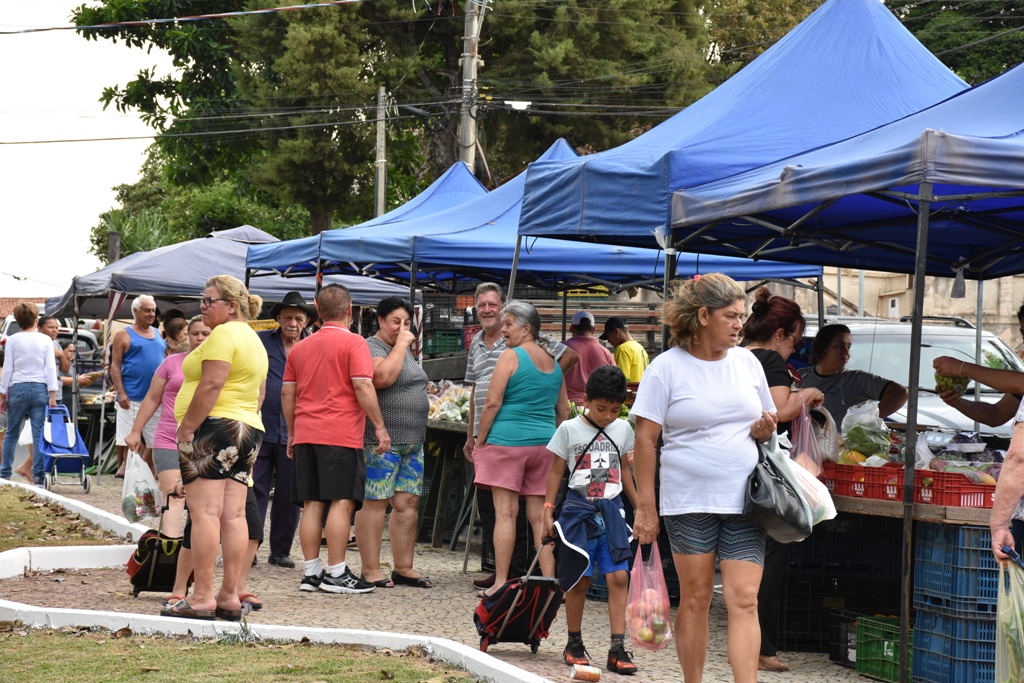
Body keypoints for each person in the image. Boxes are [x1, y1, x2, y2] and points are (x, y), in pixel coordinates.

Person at [631, 273, 779, 683]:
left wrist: (765, 430)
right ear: (702, 316)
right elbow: (645, 439)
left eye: (742, 316)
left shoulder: (748, 362)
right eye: (731, 316)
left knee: (744, 599)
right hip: (689, 500)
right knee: (695, 598)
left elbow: (766, 423)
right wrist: (646, 506)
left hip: (747, 500)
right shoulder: (666, 368)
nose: (739, 325)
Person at [164, 276, 268, 621]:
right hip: (247, 429)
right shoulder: (253, 338)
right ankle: (229, 595)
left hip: (215, 428)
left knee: (205, 514)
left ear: (231, 306)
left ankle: (203, 596)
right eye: (202, 300)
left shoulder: (224, 334)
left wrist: (187, 429)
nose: (202, 307)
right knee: (235, 515)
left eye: (209, 301)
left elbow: (211, 384)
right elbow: (259, 393)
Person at [464, 283, 577, 591]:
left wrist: (481, 439)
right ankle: (552, 582)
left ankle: (502, 581)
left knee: (505, 513)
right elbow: (563, 410)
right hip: (544, 445)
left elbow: (491, 402)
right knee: (540, 516)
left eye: (509, 325)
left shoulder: (510, 357)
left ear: (527, 329)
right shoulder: (553, 364)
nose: (504, 331)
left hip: (506, 444)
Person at [283, 284, 390, 595]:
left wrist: (292, 432)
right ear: (350, 309)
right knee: (342, 502)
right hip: (340, 434)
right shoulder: (355, 343)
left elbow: (287, 392)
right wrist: (380, 427)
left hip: (306, 432)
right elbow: (363, 386)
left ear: (317, 309)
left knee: (311, 504)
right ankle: (337, 572)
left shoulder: (300, 347)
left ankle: (311, 572)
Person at [740, 287, 824, 673]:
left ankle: (751, 643)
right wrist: (804, 394)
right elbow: (775, 411)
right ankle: (763, 647)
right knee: (770, 557)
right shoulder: (769, 358)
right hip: (760, 473)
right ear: (779, 335)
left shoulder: (736, 355)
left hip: (732, 467)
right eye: (796, 339)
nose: (795, 348)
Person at [544, 365, 639, 674]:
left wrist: (641, 509)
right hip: (577, 512)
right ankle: (574, 642)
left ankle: (617, 646)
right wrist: (547, 508)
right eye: (601, 409)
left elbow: (625, 470)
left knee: (618, 577)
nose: (607, 416)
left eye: (614, 410)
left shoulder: (624, 430)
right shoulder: (569, 430)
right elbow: (557, 471)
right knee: (579, 580)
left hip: (612, 513)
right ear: (585, 399)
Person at [355, 296, 432, 589]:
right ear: (381, 321)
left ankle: (403, 566)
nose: (401, 327)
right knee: (375, 502)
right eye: (395, 322)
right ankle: (371, 568)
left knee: (408, 503)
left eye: (406, 322)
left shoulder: (407, 352)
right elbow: (382, 377)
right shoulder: (370, 346)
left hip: (413, 441)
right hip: (381, 441)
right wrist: (401, 344)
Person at [126, 316, 212, 539]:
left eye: (206, 334)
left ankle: (193, 554)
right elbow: (152, 398)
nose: (200, 338)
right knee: (174, 496)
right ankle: (169, 551)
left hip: (206, 442)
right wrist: (136, 431)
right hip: (168, 439)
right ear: (187, 336)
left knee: (200, 504)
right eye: (195, 334)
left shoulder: (219, 367)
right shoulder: (171, 363)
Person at [254, 292, 316, 569]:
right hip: (260, 424)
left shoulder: (312, 347)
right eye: (288, 317)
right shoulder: (260, 341)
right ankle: (248, 545)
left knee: (290, 495)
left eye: (298, 318)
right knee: (254, 487)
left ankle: (280, 550)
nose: (293, 322)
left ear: (306, 322)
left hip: (297, 427)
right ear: (278, 318)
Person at [799, 324, 908, 428]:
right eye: (839, 346)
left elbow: (900, 392)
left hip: (844, 446)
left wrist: (867, 420)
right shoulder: (800, 377)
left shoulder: (857, 379)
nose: (846, 352)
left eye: (848, 347)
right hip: (805, 444)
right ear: (822, 348)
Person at [0, 303, 60, 485]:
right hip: (40, 387)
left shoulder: (12, 340)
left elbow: (8, 369)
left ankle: (4, 474)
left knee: (11, 433)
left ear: (18, 321)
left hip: (17, 387)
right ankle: (39, 475)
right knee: (38, 434)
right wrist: (52, 394)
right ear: (36, 320)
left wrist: (2, 393)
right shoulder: (45, 340)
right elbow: (50, 367)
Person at [110, 295, 166, 478]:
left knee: (155, 440)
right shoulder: (123, 334)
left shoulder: (158, 333)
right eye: (147, 310)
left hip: (155, 397)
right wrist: (121, 392)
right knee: (129, 440)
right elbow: (115, 365)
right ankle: (130, 475)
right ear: (135, 311)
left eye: (153, 310)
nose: (151, 314)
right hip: (131, 397)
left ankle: (147, 475)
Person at [562, 310, 614, 405]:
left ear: (572, 328)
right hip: (595, 408)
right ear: (594, 330)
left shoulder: (561, 349)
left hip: (566, 405)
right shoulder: (606, 353)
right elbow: (614, 382)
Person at [600, 316, 649, 383]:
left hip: (629, 392)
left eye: (608, 336)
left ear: (616, 331)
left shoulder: (622, 349)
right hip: (641, 391)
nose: (608, 341)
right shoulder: (640, 348)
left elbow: (622, 380)